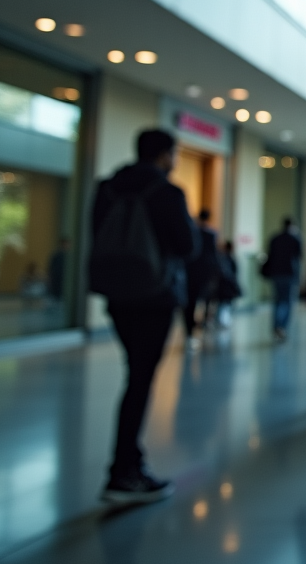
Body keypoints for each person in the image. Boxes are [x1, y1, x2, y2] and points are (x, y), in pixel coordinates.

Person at [92, 128, 197, 504]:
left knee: (133, 374)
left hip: (117, 295)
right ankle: (124, 471)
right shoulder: (167, 193)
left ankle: (127, 463)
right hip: (155, 295)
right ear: (165, 155)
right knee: (140, 379)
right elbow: (187, 245)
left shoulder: (106, 188)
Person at [182, 209, 219, 347]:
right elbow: (214, 255)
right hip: (205, 272)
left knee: (190, 302)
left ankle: (189, 330)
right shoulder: (211, 234)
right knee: (206, 298)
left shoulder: (192, 231)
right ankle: (204, 321)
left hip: (190, 272)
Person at [264, 217, 303, 341]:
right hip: (289, 274)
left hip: (276, 273)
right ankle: (282, 327)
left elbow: (269, 254)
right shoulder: (295, 239)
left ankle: (276, 326)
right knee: (287, 301)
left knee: (277, 301)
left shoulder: (275, 238)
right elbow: (299, 256)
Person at [214, 240, 242, 328]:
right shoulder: (228, 259)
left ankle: (222, 320)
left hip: (224, 285)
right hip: (227, 285)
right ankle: (223, 320)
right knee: (225, 304)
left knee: (223, 303)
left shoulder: (222, 258)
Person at [47, 236, 70, 304]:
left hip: (63, 281)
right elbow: (51, 268)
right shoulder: (57, 256)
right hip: (57, 280)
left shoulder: (68, 256)